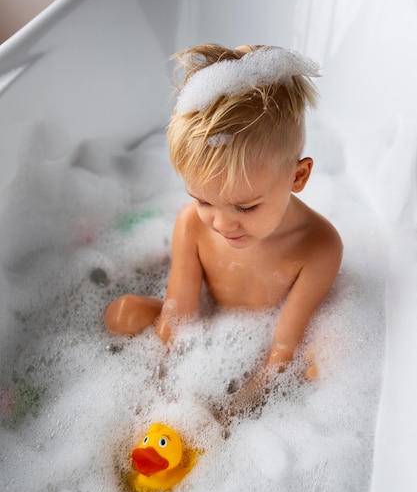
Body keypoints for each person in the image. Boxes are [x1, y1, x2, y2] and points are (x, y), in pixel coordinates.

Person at [104, 43, 343, 418]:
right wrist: (158, 394)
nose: (221, 223)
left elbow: (283, 347)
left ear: (298, 176)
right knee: (122, 313)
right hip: (207, 330)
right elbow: (177, 315)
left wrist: (234, 412)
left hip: (262, 343)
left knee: (323, 362)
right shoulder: (191, 225)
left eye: (245, 207)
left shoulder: (319, 246)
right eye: (202, 200)